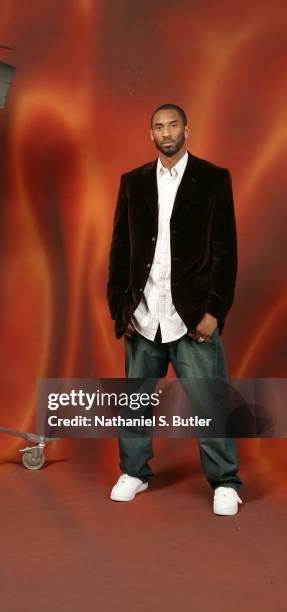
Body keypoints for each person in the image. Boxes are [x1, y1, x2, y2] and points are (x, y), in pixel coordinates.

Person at [106, 103, 242, 515]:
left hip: (193, 317)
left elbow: (225, 250)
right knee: (135, 401)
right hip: (144, 314)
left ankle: (225, 482)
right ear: (151, 134)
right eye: (159, 127)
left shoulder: (214, 179)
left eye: (173, 125)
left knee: (208, 400)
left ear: (188, 129)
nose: (166, 133)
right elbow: (121, 250)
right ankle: (134, 472)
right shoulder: (133, 182)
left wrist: (215, 311)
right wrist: (121, 308)